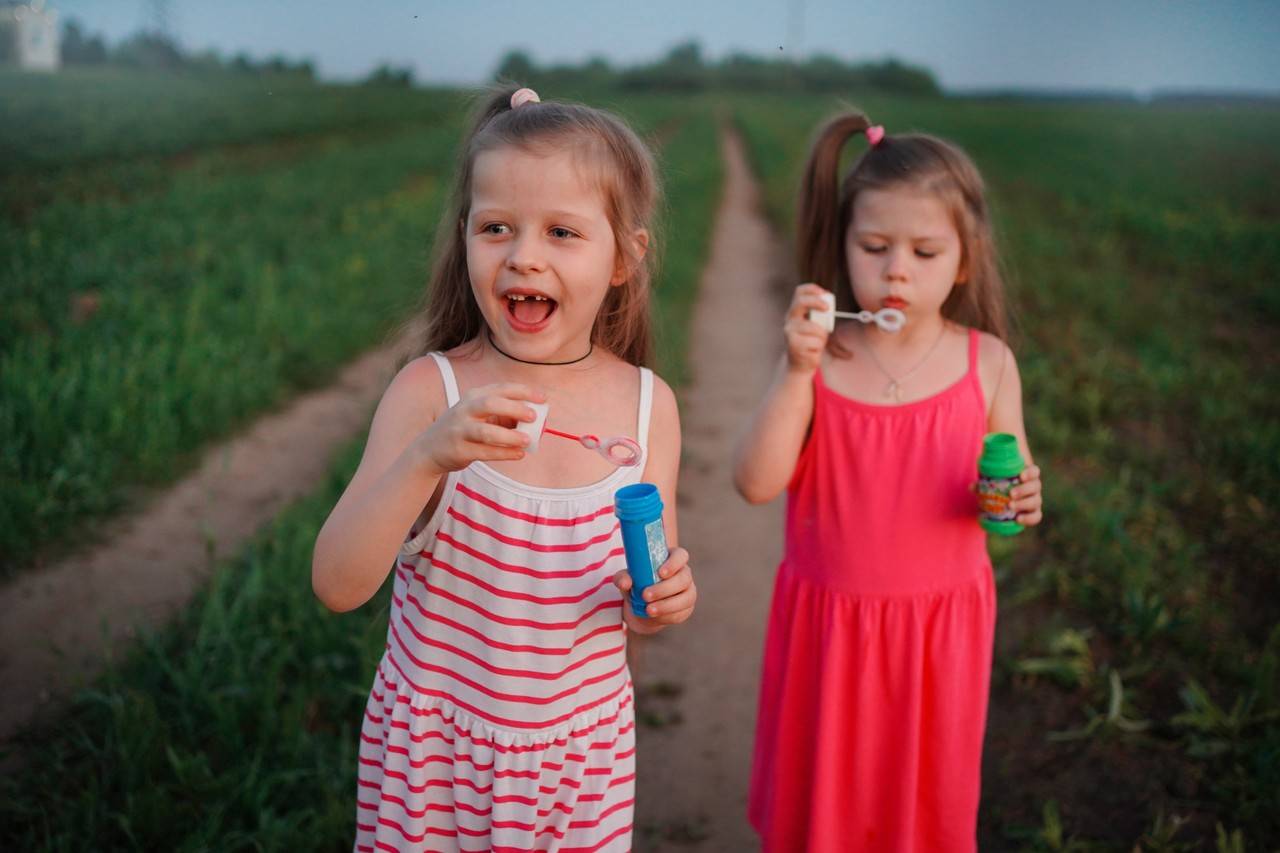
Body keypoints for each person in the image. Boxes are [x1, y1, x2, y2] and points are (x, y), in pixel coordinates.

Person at [312, 86, 697, 852]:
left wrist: (661, 600)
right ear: (465, 239)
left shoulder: (649, 407)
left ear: (624, 256)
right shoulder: (433, 393)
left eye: (562, 231)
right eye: (497, 228)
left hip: (580, 764)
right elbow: (336, 583)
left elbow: (640, 594)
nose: (524, 254)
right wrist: (429, 457)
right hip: (437, 766)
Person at [734, 111, 1044, 852]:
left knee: (918, 803)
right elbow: (754, 481)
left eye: (925, 251)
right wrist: (797, 370)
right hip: (832, 633)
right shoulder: (824, 359)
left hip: (939, 635)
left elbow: (1012, 480)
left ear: (964, 261)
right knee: (827, 806)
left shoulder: (988, 363)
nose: (897, 269)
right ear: (843, 247)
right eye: (875, 247)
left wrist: (1024, 498)